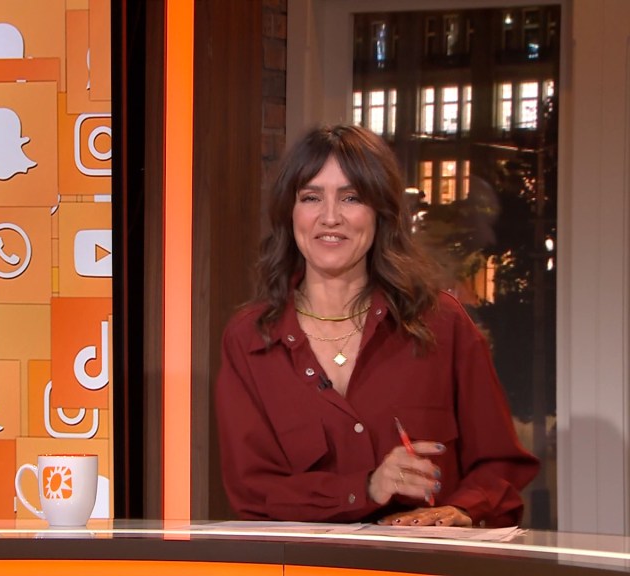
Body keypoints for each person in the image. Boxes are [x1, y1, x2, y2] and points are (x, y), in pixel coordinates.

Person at [215, 124, 539, 527]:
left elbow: (499, 464)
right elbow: (254, 493)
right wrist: (366, 487)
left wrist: (463, 510)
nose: (330, 217)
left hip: (422, 559)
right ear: (290, 213)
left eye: (351, 197)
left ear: (380, 212)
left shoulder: (441, 323)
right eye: (311, 197)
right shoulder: (250, 339)